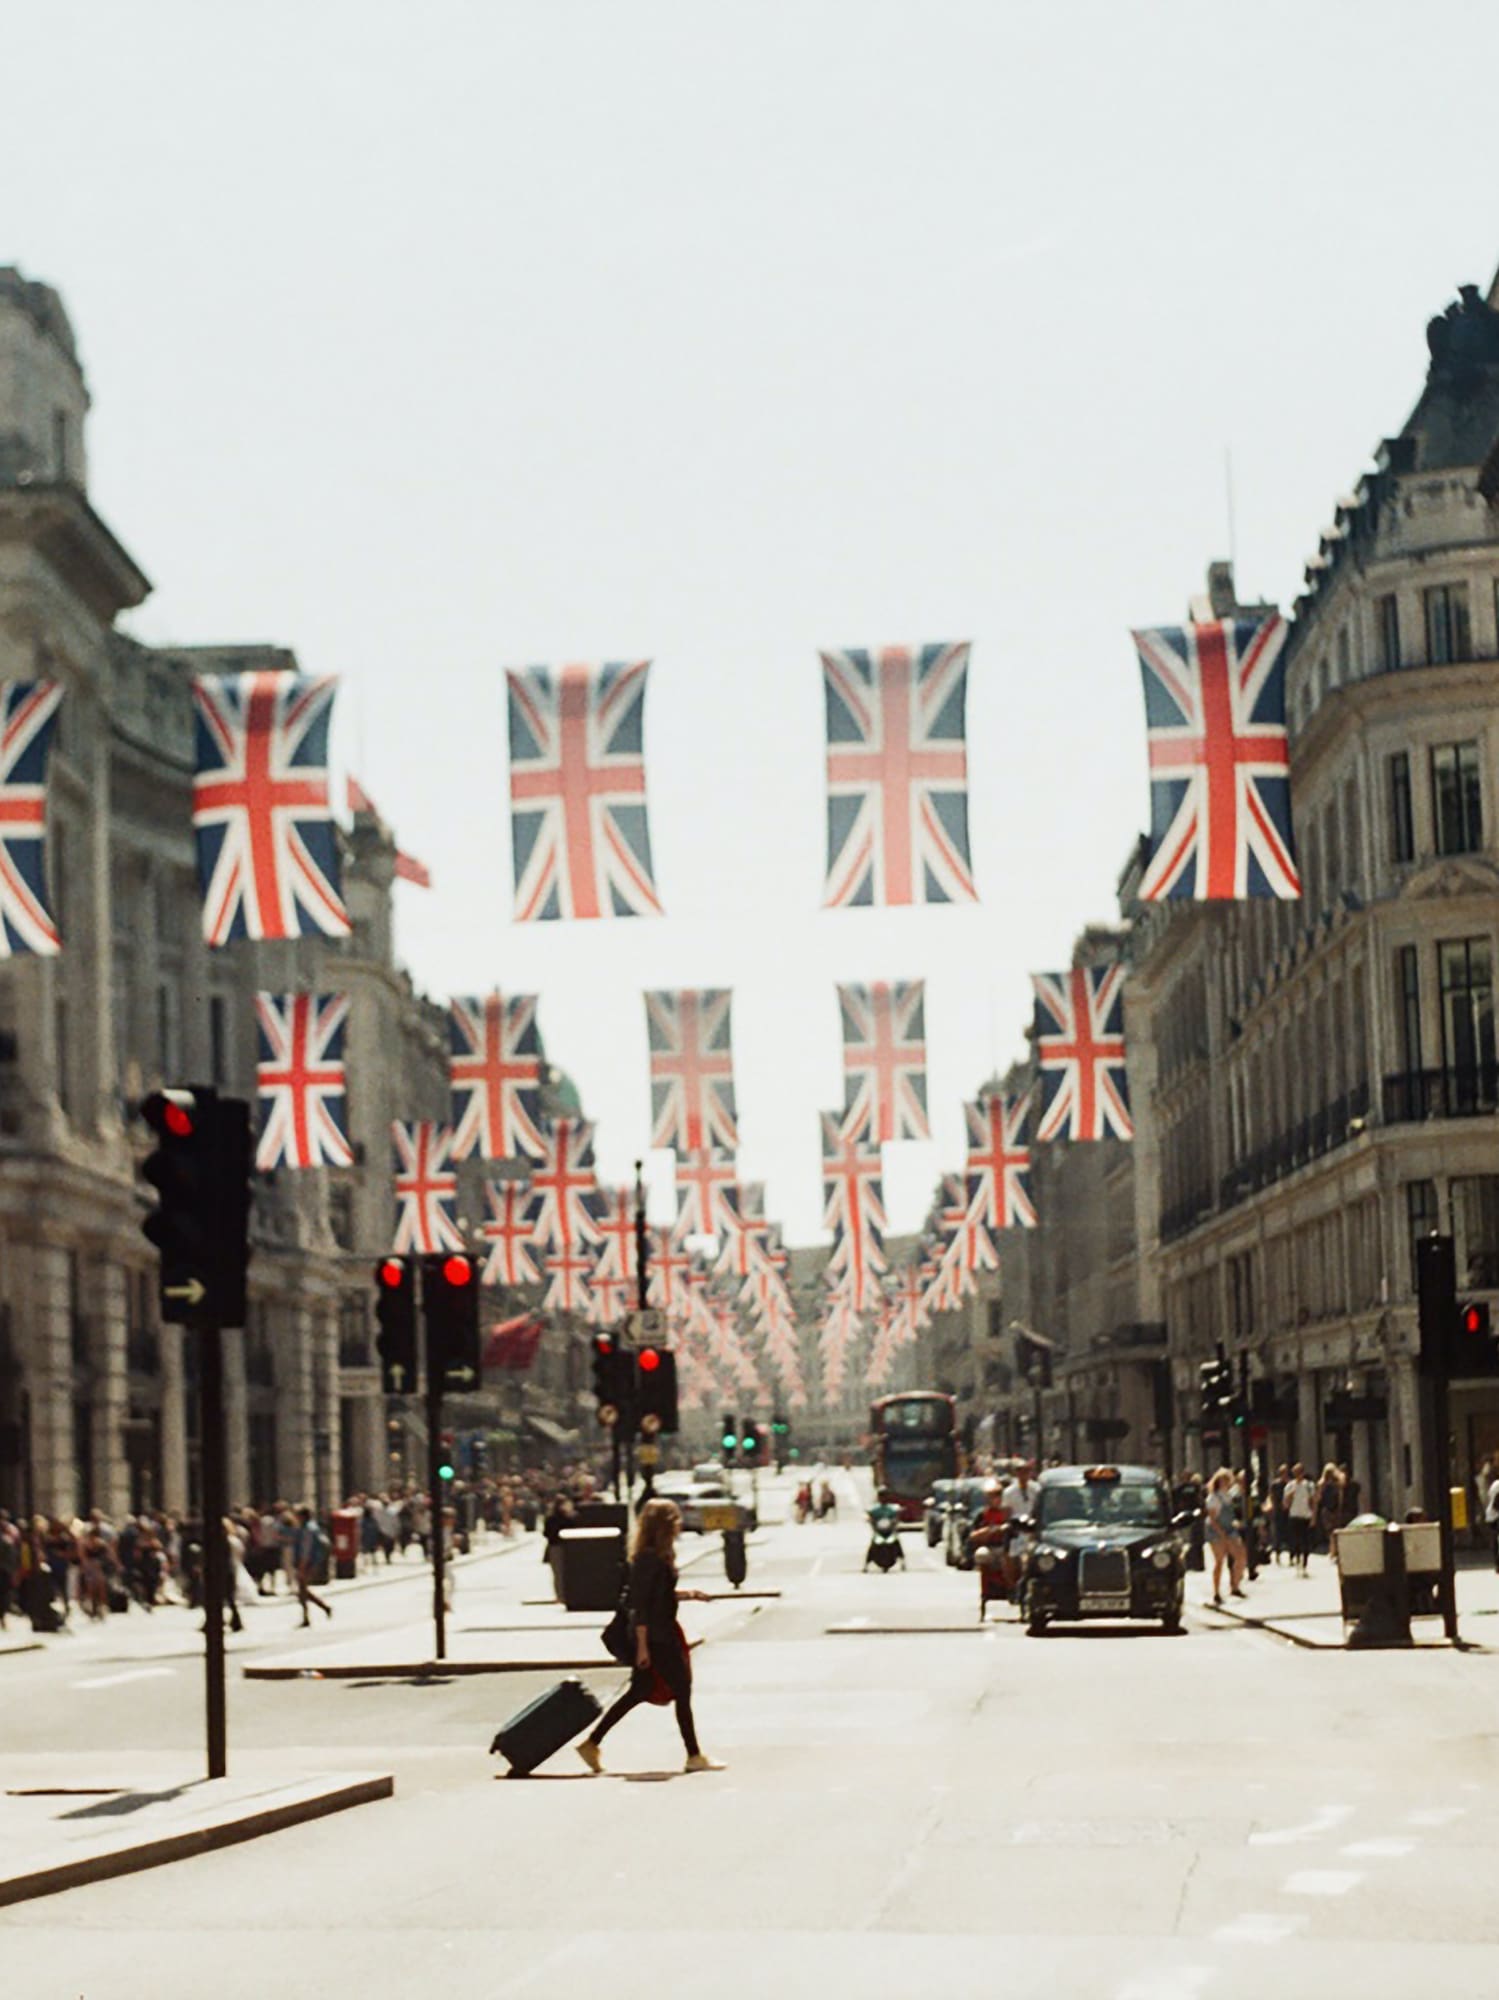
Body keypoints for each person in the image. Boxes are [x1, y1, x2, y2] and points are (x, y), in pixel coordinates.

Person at [578, 1500, 722, 1776]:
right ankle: (694, 1755)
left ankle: (592, 1743)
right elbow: (641, 1605)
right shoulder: (647, 1559)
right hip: (656, 1636)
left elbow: (659, 1595)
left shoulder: (659, 1555)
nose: (680, 1524)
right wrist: (643, 1647)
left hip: (662, 1630)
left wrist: (689, 1594)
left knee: (639, 1692)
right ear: (664, 1525)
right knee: (681, 1689)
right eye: (676, 1520)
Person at [1204, 1467, 1247, 1605]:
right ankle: (1216, 1592)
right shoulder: (1213, 1498)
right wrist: (1221, 1533)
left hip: (1230, 1529)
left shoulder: (1229, 1496)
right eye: (1224, 1480)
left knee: (1241, 1556)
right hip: (1216, 1531)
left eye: (1228, 1480)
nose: (1226, 1482)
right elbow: (1212, 1518)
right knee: (1219, 1561)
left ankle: (1235, 1585)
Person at [292, 1507, 333, 1627]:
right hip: (310, 1562)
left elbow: (306, 1549)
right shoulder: (312, 1527)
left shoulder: (307, 1530)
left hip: (307, 1563)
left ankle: (309, 1616)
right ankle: (320, 1609)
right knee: (302, 1591)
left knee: (302, 1590)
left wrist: (302, 1565)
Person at [1283, 1461, 1316, 1574]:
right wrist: (1289, 1497)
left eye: (1299, 1472)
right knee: (1295, 1540)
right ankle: (1297, 1560)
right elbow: (1285, 1504)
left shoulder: (1309, 1485)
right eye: (1295, 1472)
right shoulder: (1289, 1486)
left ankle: (1305, 1563)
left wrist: (1313, 1516)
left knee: (1306, 1541)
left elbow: (1313, 1501)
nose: (1298, 1474)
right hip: (1294, 1515)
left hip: (1306, 1515)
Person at [863, 1490, 906, 1570]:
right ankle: (866, 1565)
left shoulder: (892, 1508)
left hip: (889, 1531)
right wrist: (869, 1519)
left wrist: (897, 1517)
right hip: (879, 1531)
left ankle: (903, 1562)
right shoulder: (875, 1509)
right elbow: (870, 1516)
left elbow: (897, 1514)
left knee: (897, 1543)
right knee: (872, 1545)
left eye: (885, 1497)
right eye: (881, 1497)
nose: (883, 1499)